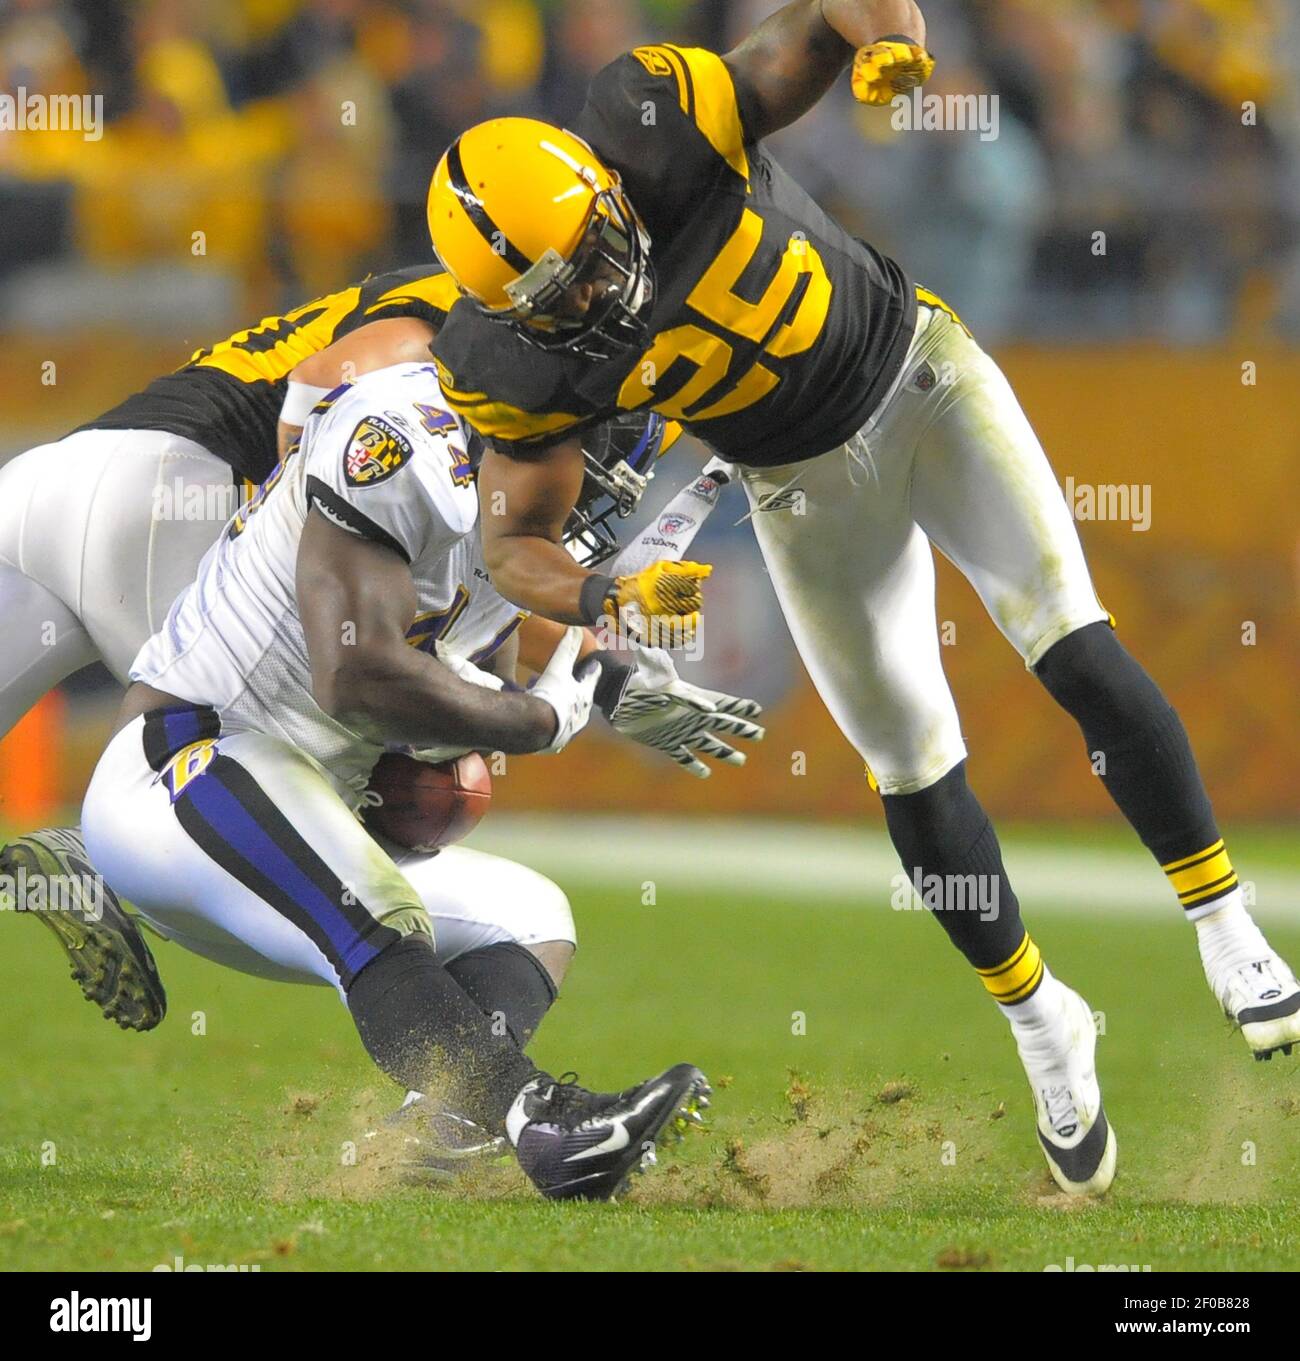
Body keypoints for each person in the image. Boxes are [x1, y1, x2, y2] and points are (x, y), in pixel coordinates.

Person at [419, 0, 1299, 1197]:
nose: (587, 295)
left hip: (917, 375)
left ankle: (1226, 927)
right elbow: (513, 539)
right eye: (552, 294)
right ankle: (1045, 1023)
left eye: (585, 257)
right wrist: (603, 590)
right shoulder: (507, 365)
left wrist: (896, 38)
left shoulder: (655, 119)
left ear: (596, 185)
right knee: (911, 769)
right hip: (797, 483)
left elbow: (829, 20)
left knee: (1067, 637)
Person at [0, 268, 760, 1030]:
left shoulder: (485, 338)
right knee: (277, 781)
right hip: (180, 495)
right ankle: (102, 859)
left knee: (287, 762)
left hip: (55, 485)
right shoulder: (443, 355)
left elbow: (446, 597)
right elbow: (319, 415)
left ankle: (96, 859)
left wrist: (608, 676)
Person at [78, 358, 710, 1201]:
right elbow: (358, 678)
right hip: (181, 773)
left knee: (530, 917)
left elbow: (451, 640)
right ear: (525, 437)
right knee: (383, 908)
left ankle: (439, 1127)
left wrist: (606, 677)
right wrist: (535, 720)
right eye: (585, 467)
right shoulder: (400, 443)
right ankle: (543, 1122)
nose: (581, 499)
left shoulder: (494, 498)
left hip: (290, 829)